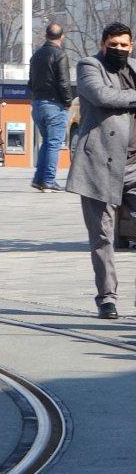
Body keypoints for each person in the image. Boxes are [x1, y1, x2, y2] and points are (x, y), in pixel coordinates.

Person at [66, 22, 136, 320]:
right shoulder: (88, 65)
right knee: (102, 236)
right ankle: (107, 297)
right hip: (99, 164)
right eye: (114, 44)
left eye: (125, 45)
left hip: (134, 164)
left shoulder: (134, 68)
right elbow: (101, 97)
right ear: (103, 43)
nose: (120, 50)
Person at [28, 23, 73, 192]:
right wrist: (68, 101)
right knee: (54, 143)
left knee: (46, 142)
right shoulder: (60, 55)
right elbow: (64, 82)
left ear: (46, 35)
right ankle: (48, 180)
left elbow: (30, 82)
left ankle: (38, 179)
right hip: (55, 104)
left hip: (38, 104)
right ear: (62, 36)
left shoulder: (36, 55)